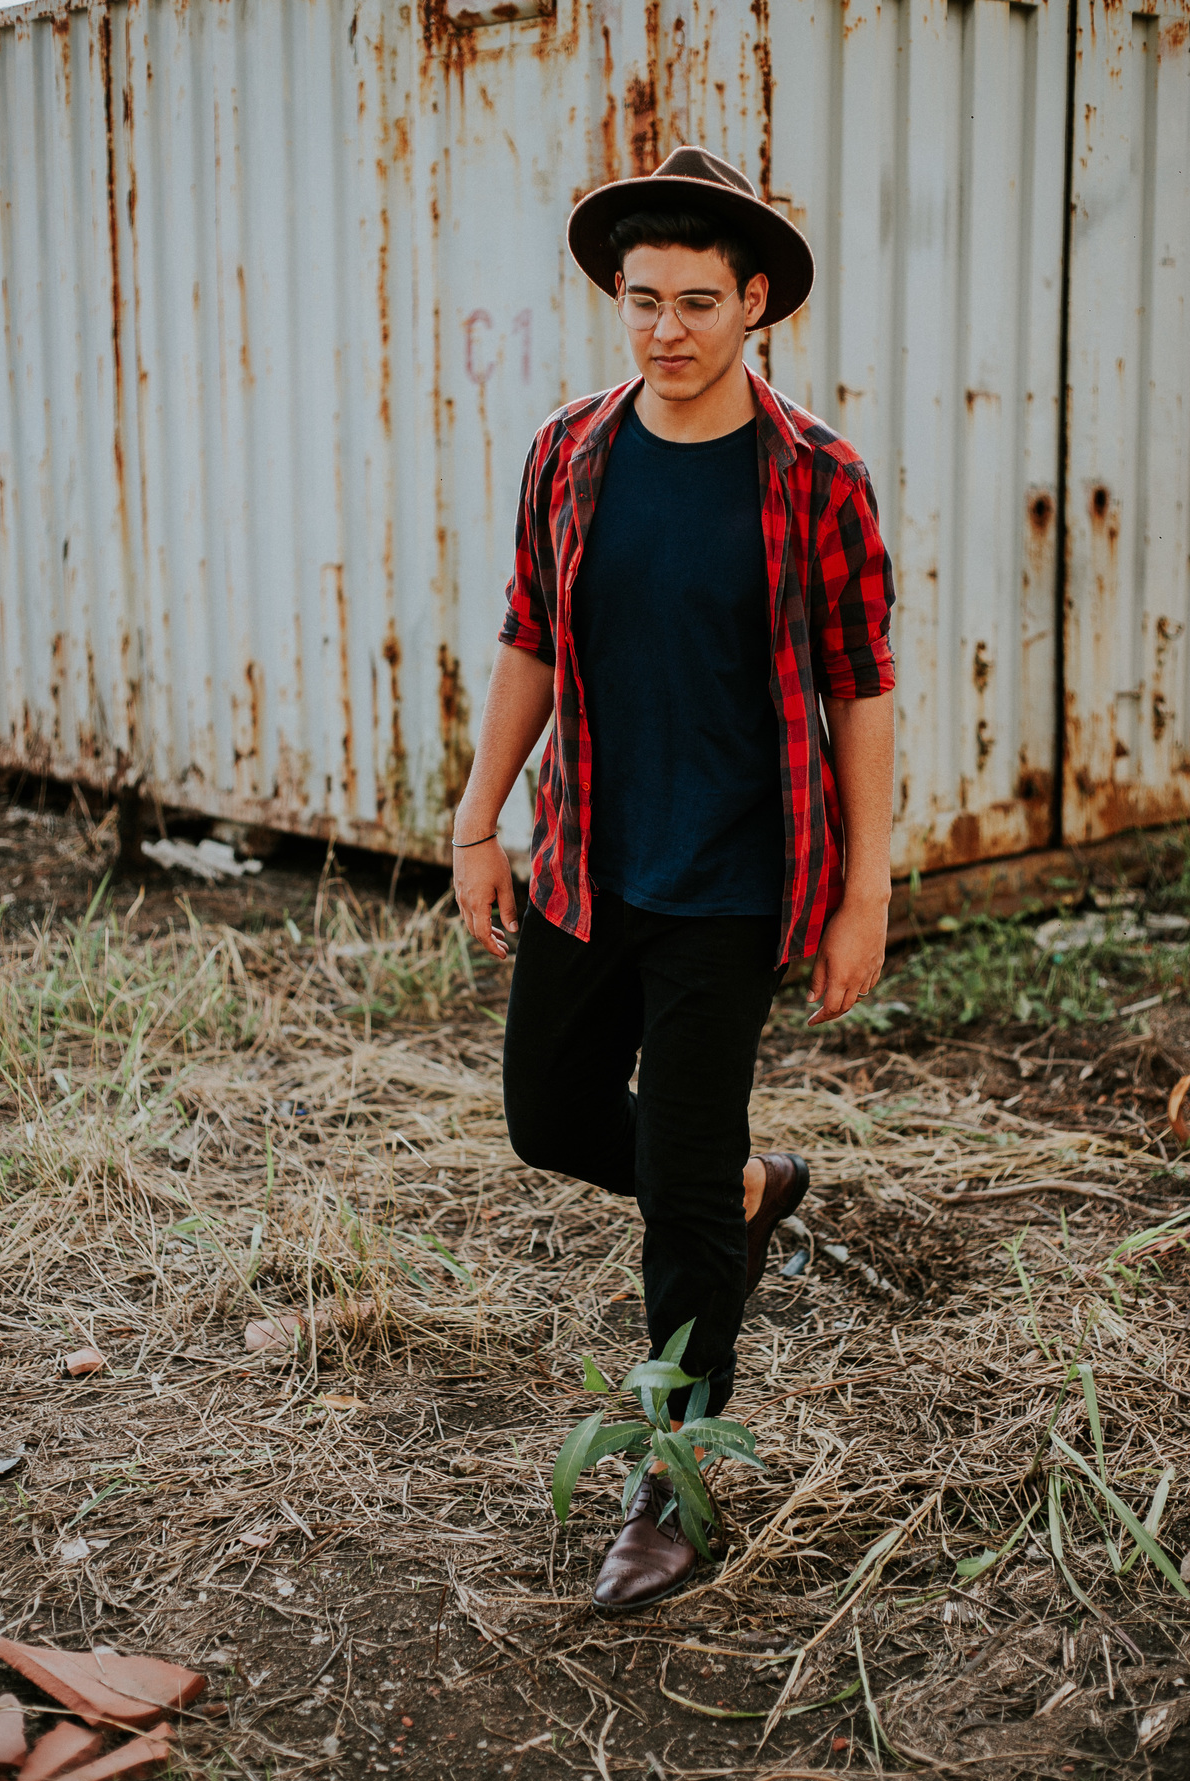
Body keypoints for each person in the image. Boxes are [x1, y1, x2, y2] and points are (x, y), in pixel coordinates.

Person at [452, 146, 896, 1611]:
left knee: (679, 1202)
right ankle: (743, 1187)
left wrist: (867, 893)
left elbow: (862, 685)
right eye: (643, 300)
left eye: (698, 302)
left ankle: (674, 1478)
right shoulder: (570, 452)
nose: (666, 329)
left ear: (756, 302)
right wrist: (478, 818)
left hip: (734, 881)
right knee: (547, 1115)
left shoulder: (817, 475)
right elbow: (529, 635)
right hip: (589, 857)